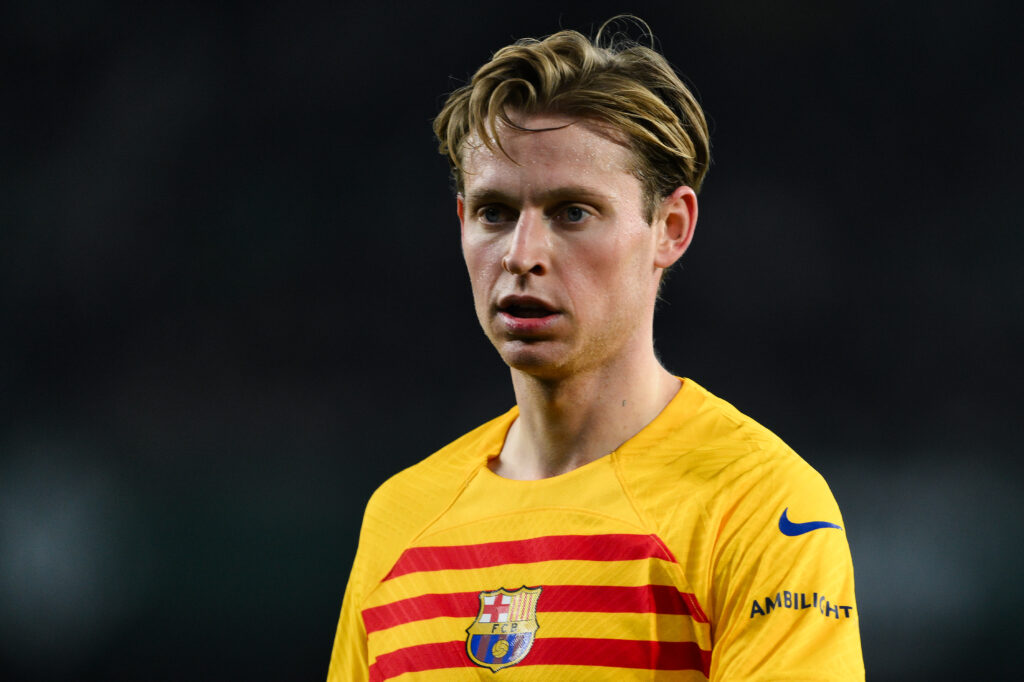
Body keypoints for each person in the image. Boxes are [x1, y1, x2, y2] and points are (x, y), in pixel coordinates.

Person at [327, 18, 863, 681]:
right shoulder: (400, 521)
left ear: (670, 228)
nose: (523, 256)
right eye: (496, 213)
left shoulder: (760, 508)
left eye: (572, 213)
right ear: (462, 223)